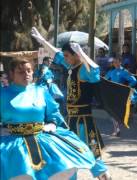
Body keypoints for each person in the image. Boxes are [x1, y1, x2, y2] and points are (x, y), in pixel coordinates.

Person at [31, 27, 111, 179]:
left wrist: (82, 53)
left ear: (75, 55)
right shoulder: (72, 67)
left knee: (94, 159)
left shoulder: (84, 69)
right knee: (69, 156)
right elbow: (56, 54)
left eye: (68, 55)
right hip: (71, 120)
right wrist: (42, 41)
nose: (65, 58)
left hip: (85, 123)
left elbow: (95, 72)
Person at [0, 58, 96, 180]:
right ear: (12, 74)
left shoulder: (40, 90)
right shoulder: (2, 94)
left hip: (42, 137)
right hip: (12, 141)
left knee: (63, 167)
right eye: (21, 72)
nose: (26, 74)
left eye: (29, 71)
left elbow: (53, 113)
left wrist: (52, 123)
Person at [105, 56, 137, 137]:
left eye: (117, 61)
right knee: (112, 112)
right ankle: (116, 129)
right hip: (113, 93)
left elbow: (134, 81)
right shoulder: (111, 72)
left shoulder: (124, 71)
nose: (115, 63)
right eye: (114, 62)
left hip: (120, 94)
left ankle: (118, 128)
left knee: (114, 112)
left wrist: (126, 87)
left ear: (120, 62)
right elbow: (104, 80)